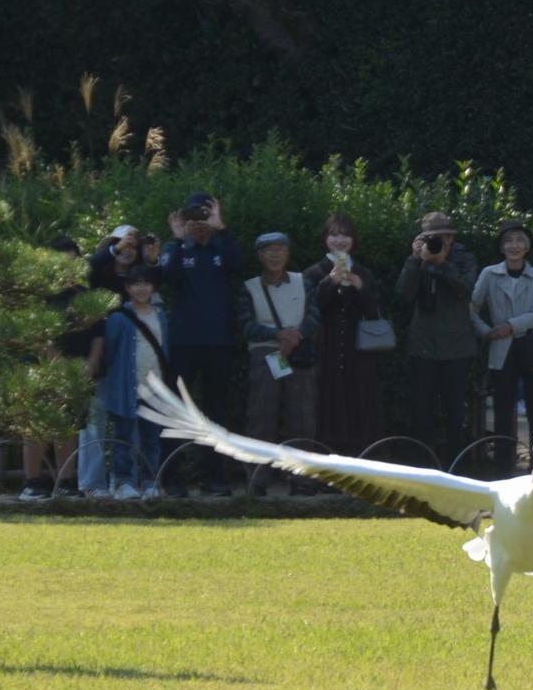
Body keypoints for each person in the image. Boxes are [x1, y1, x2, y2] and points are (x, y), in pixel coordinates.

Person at [157, 194, 242, 495]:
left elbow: (238, 265)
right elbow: (167, 276)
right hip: (184, 344)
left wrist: (221, 227)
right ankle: (172, 478)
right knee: (176, 409)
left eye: (204, 217)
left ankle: (214, 478)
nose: (199, 224)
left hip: (219, 343)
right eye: (193, 218)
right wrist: (180, 240)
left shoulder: (222, 246)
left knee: (216, 411)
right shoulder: (175, 248)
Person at [236, 231, 321, 493]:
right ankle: (259, 478)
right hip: (266, 355)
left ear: (288, 253)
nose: (274, 254)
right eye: (268, 250)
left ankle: (302, 478)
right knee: (262, 415)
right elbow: (245, 325)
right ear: (259, 256)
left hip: (298, 354)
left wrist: (296, 335)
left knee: (302, 416)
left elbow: (315, 317)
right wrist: (277, 334)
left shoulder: (303, 282)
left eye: (279, 249)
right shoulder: (248, 287)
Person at [396, 211, 479, 471]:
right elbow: (403, 295)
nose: (438, 241)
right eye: (432, 237)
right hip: (423, 345)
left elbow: (467, 291)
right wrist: (414, 260)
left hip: (457, 346)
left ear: (451, 238)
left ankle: (458, 469)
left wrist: (443, 264)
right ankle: (422, 468)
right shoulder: (417, 259)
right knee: (421, 411)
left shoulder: (464, 259)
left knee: (455, 412)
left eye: (443, 236)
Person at [18, 235, 95, 501]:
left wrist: (90, 364)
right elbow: (34, 335)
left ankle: (66, 481)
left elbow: (98, 335)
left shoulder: (86, 296)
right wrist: (58, 364)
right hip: (40, 368)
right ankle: (32, 483)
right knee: (37, 426)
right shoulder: (38, 295)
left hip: (77, 370)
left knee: (68, 427)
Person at [471, 220, 533, 477]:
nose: (514, 246)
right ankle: (503, 467)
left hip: (532, 346)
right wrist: (486, 331)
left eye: (520, 241)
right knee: (504, 410)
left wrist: (509, 325)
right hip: (501, 348)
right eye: (509, 241)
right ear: (501, 247)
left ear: (527, 246)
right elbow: (472, 306)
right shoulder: (489, 273)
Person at [303, 212, 384, 457]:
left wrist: (361, 288)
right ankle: (328, 465)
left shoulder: (363, 273)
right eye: (334, 234)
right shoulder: (314, 272)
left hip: (358, 352)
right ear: (326, 238)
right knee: (326, 405)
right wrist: (329, 283)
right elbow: (309, 310)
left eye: (345, 235)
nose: (340, 240)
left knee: (358, 404)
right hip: (325, 350)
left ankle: (358, 464)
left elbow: (375, 314)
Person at [86, 268, 170, 499]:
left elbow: (165, 349)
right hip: (126, 386)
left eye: (146, 283)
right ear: (127, 288)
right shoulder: (118, 317)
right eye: (135, 284)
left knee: (152, 437)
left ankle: (150, 481)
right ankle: (124, 482)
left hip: (155, 386)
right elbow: (110, 352)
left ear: (153, 287)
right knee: (124, 436)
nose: (141, 288)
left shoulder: (161, 315)